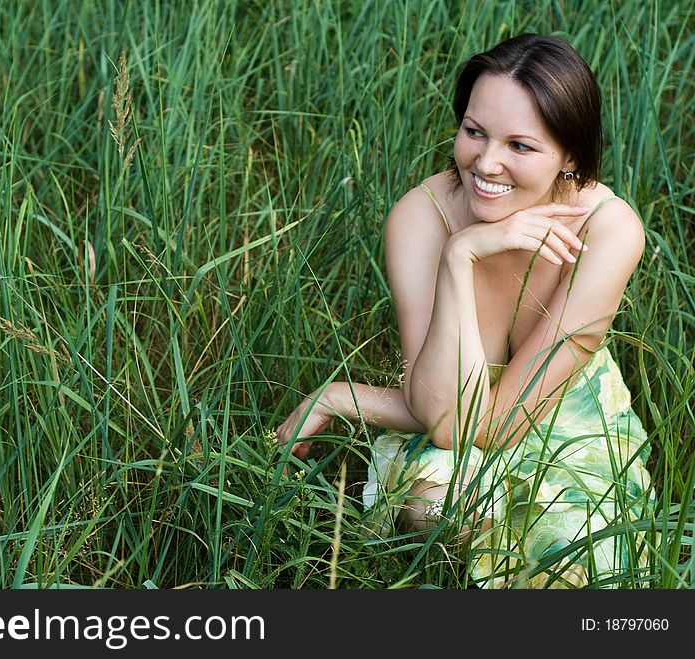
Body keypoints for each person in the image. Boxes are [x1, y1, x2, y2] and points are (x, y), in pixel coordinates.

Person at [275, 33, 654, 588]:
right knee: (440, 511)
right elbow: (444, 413)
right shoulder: (422, 218)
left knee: (582, 567)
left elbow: (493, 425)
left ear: (570, 157)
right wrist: (462, 256)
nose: (487, 163)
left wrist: (346, 396)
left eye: (520, 146)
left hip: (565, 420)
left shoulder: (609, 230)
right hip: (446, 405)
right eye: (475, 132)